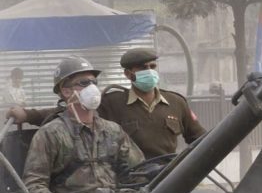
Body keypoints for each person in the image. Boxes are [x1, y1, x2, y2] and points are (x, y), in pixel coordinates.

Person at [6, 48, 206, 158]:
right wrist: (28, 115)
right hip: (134, 180)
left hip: (171, 177)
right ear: (128, 74)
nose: (149, 71)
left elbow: (200, 140)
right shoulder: (112, 103)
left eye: (152, 66)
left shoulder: (176, 102)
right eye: (142, 68)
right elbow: (71, 111)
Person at [23, 56, 144, 193]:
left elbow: (137, 172)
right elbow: (34, 186)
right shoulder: (50, 134)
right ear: (66, 91)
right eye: (84, 83)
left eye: (94, 82)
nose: (93, 88)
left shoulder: (112, 131)